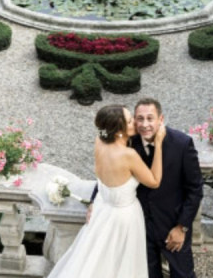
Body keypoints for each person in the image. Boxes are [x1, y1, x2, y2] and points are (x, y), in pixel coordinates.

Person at [48, 104, 166, 278]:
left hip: (102, 211)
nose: (135, 122)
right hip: (124, 218)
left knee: (95, 260)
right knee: (121, 265)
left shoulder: (99, 141)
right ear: (118, 131)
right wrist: (159, 144)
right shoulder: (128, 155)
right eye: (130, 121)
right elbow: (154, 181)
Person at [133, 97, 203, 278]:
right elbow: (111, 169)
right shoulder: (129, 141)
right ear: (134, 120)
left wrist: (182, 227)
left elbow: (195, 189)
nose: (145, 124)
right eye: (140, 119)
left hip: (173, 225)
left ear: (161, 119)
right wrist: (94, 199)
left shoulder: (182, 143)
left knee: (183, 275)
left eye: (150, 118)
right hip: (141, 225)